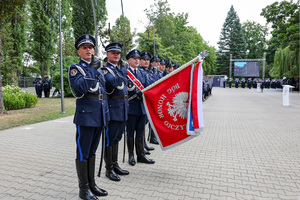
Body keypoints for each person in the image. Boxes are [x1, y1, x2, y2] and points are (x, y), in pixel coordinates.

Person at [68, 34, 108, 200]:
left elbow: (103, 92)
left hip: (99, 116)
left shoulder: (97, 69)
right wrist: (92, 69)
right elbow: (81, 88)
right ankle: (83, 189)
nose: (89, 50)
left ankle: (91, 184)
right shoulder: (76, 68)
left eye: (91, 47)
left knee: (92, 151)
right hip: (85, 117)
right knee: (83, 152)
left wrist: (106, 115)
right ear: (79, 51)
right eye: (85, 48)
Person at [102, 42, 129, 182]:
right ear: (107, 54)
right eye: (113, 52)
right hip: (112, 109)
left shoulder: (118, 69)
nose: (116, 54)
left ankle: (115, 164)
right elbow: (112, 83)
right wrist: (123, 71)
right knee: (110, 139)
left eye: (118, 53)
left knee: (117, 138)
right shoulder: (105, 70)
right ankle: (109, 169)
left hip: (122, 108)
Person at [126, 49, 155, 166]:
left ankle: (141, 155)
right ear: (129, 60)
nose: (137, 60)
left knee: (140, 132)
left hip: (142, 107)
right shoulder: (125, 73)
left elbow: (149, 87)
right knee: (130, 133)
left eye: (138, 58)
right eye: (134, 58)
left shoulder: (142, 73)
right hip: (131, 108)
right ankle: (131, 155)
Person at [139, 52, 155, 152]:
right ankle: (142, 145)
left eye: (148, 60)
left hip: (147, 102)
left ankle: (144, 144)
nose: (146, 61)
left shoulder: (149, 72)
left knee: (143, 125)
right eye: (144, 59)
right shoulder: (140, 72)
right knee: (141, 126)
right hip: (141, 102)